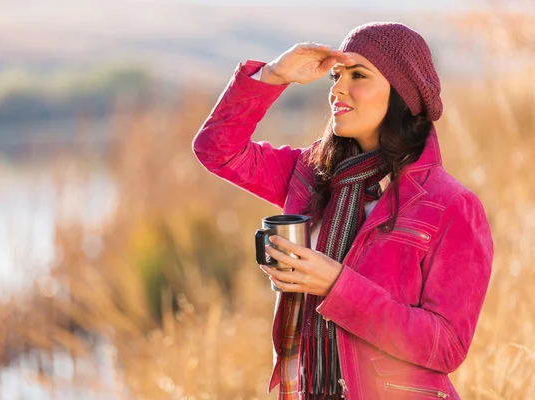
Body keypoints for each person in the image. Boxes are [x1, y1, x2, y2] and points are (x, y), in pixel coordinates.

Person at [192, 21, 494, 400]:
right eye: (336, 75)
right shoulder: (310, 175)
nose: (337, 88)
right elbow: (217, 150)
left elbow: (445, 345)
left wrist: (337, 287)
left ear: (403, 93)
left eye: (358, 74)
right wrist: (272, 75)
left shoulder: (452, 206)